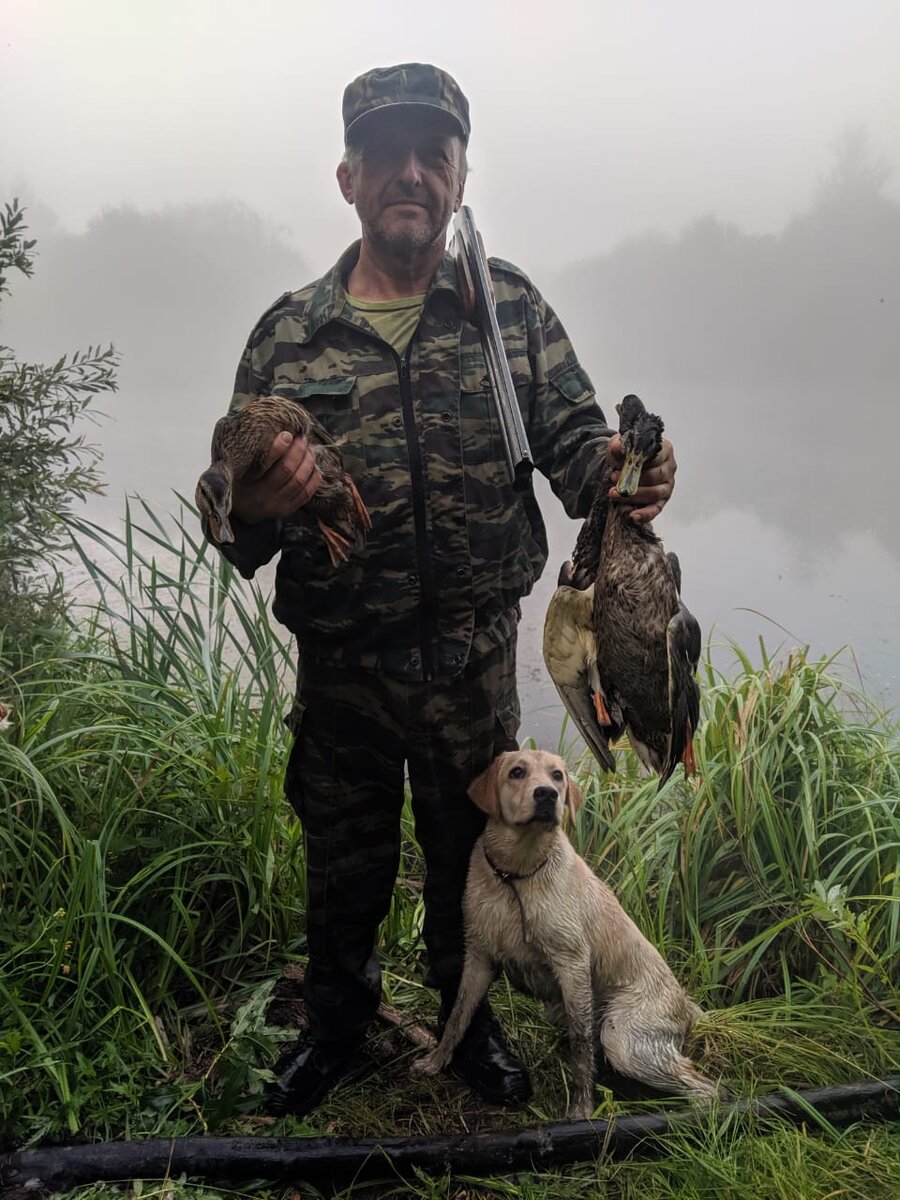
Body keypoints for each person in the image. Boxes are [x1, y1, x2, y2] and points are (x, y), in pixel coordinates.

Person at [206, 62, 678, 1117]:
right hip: (345, 674)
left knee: (485, 863)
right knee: (345, 865)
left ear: (461, 176)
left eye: (434, 153)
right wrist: (267, 504)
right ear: (348, 177)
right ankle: (335, 1026)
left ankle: (473, 1031)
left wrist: (632, 472)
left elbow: (577, 457)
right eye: (386, 156)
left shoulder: (508, 310)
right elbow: (230, 535)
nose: (409, 174)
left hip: (472, 667)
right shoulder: (290, 335)